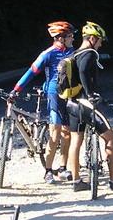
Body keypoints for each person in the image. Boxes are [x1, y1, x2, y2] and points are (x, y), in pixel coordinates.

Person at [65, 22, 113, 193]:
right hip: (85, 104)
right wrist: (90, 94)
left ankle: (76, 181)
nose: (101, 44)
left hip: (72, 103)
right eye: (100, 40)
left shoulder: (75, 54)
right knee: (111, 139)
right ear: (92, 39)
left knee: (75, 141)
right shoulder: (89, 53)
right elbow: (83, 72)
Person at [10, 21, 75, 184]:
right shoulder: (48, 54)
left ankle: (62, 168)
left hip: (70, 94)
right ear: (60, 38)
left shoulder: (73, 51)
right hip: (54, 94)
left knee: (67, 133)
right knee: (55, 133)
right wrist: (16, 89)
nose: (73, 38)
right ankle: (48, 170)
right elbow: (31, 72)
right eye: (70, 36)